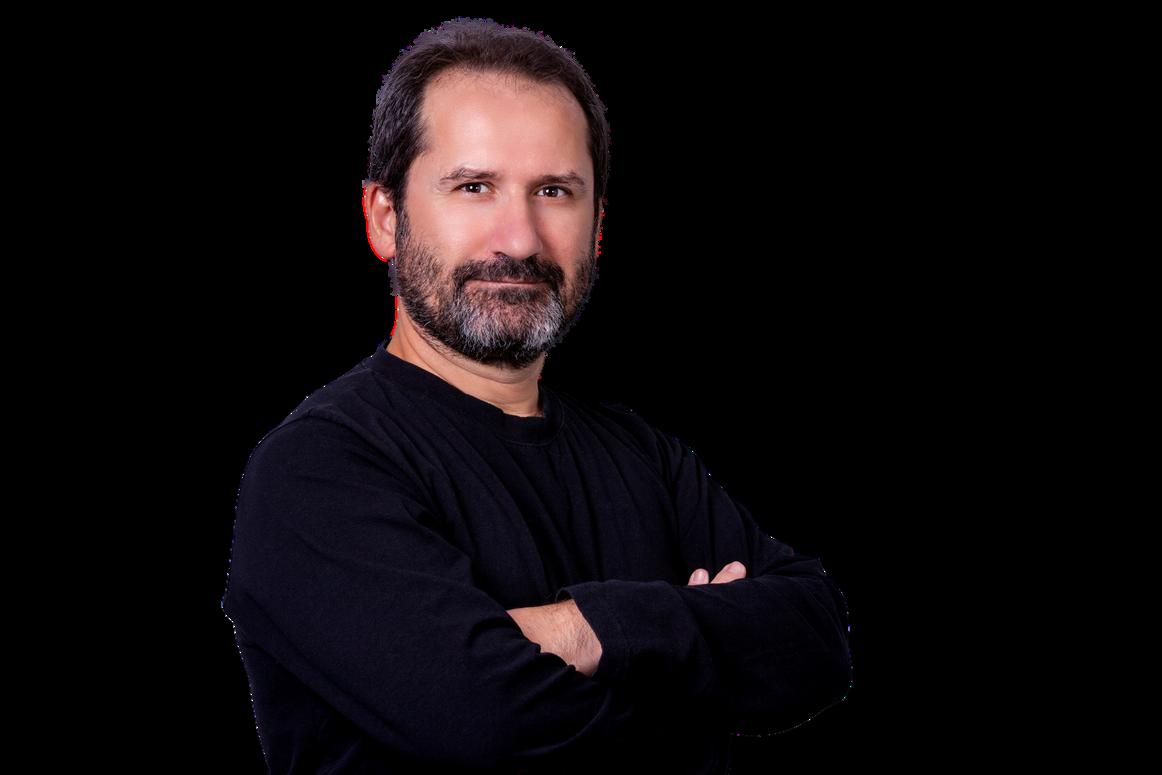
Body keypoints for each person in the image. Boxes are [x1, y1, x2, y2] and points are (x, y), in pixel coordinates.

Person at [221, 17, 853, 774]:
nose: (519, 239)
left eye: (554, 191)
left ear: (597, 228)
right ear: (385, 218)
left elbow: (818, 639)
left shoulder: (643, 453)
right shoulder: (317, 470)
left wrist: (583, 629)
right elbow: (482, 722)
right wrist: (701, 662)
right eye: (474, 187)